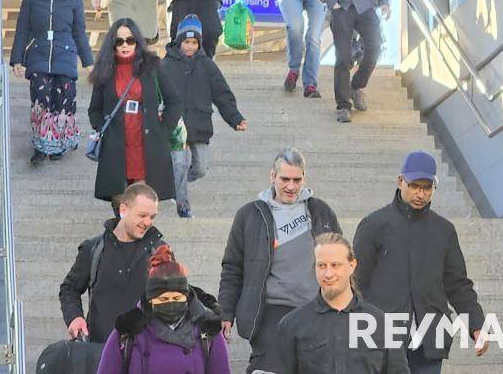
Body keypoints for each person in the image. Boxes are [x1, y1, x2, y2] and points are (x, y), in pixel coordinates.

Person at [353, 152, 487, 374]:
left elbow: (457, 284)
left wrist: (476, 325)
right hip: (383, 337)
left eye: (427, 187)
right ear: (400, 181)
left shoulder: (444, 231)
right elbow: (356, 282)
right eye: (415, 186)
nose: (421, 194)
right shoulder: (373, 225)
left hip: (429, 340)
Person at [218, 149, 342, 372]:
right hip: (269, 311)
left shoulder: (321, 211)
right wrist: (226, 312)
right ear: (272, 176)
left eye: (297, 179)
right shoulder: (249, 215)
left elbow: (341, 263)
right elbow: (232, 267)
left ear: (305, 177)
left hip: (315, 309)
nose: (291, 186)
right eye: (285, 179)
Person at [268, 233, 407, 374]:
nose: (328, 274)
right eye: (322, 266)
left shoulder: (383, 325)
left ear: (352, 265)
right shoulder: (292, 325)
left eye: (335, 265)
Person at [88, 17, 183, 207]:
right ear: (112, 44)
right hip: (117, 149)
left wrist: (162, 131)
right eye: (119, 41)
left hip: (147, 146)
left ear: (137, 42)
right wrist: (105, 131)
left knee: (142, 207)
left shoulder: (152, 66)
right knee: (122, 210)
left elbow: (174, 102)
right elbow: (94, 110)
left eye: (130, 40)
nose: (125, 45)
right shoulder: (105, 70)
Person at [163, 14, 249, 219]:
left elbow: (222, 94)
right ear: (179, 41)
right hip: (176, 128)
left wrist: (235, 118)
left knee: (200, 168)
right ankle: (183, 207)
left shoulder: (207, 65)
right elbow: (156, 93)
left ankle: (176, 183)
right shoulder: (165, 66)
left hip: (200, 125)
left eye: (194, 42)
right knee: (180, 164)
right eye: (186, 42)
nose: (190, 46)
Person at [96, 243, 231, 374]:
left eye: (177, 298)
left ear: (186, 297)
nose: (171, 304)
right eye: (164, 299)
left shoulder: (208, 330)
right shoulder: (128, 331)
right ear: (151, 299)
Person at [10, 0, 93, 164]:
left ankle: (59, 144)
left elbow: (79, 31)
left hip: (65, 53)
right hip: (39, 52)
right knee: (40, 100)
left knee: (63, 100)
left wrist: (88, 61)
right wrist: (17, 59)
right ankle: (40, 146)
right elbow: (22, 30)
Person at [59, 182, 166, 344]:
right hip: (100, 351)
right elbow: (69, 288)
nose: (148, 222)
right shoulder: (93, 249)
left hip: (147, 353)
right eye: (142, 215)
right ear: (123, 210)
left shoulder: (160, 251)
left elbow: (179, 293)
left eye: (152, 217)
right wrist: (75, 317)